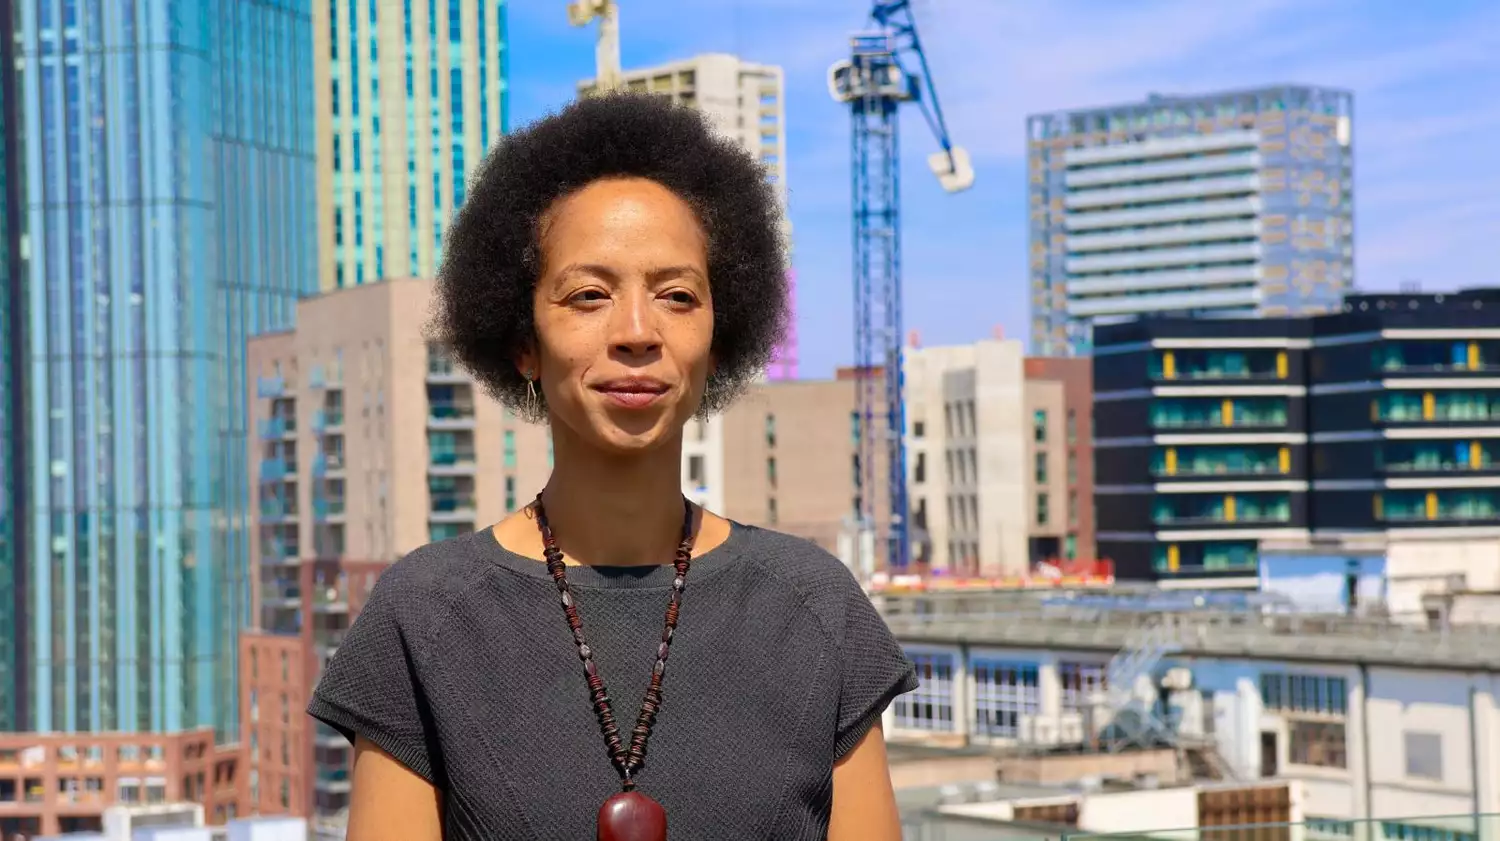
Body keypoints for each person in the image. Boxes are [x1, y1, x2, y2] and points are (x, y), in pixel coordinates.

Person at [307, 92, 918, 841]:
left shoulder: (816, 610)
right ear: (522, 341)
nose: (637, 332)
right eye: (589, 295)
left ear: (719, 338)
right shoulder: (423, 617)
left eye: (678, 295)